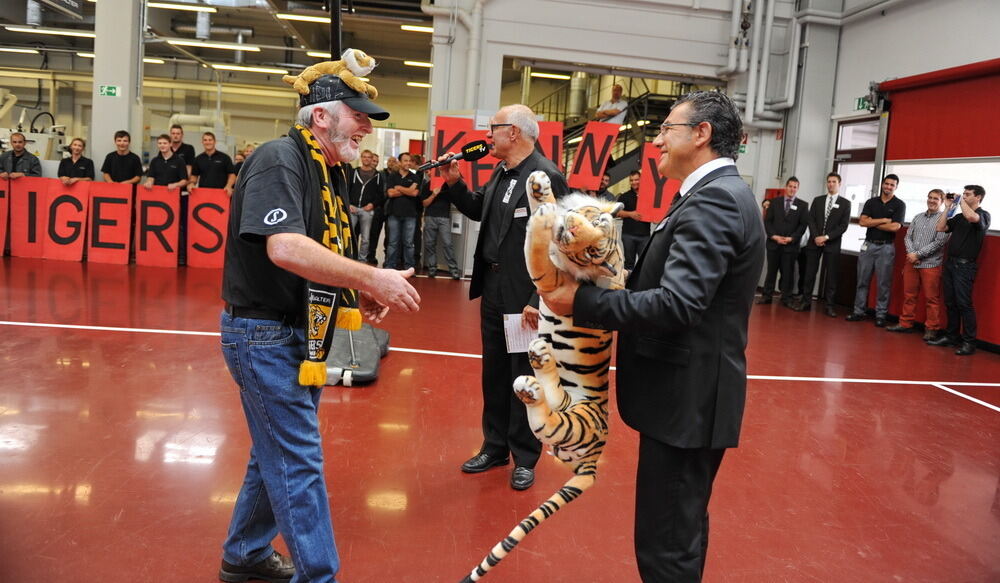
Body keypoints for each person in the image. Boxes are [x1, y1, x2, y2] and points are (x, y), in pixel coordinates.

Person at [539, 90, 764, 582]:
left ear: (701, 134)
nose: (657, 139)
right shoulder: (710, 195)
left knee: (666, 545)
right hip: (688, 398)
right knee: (679, 530)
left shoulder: (716, 202)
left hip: (689, 402)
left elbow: (678, 304)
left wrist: (577, 303)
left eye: (667, 128)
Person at [219, 59, 420, 583]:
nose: (369, 127)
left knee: (275, 454)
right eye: (359, 115)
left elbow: (320, 250)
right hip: (263, 335)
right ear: (321, 119)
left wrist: (357, 289)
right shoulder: (279, 159)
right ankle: (320, 576)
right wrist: (372, 278)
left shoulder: (326, 171)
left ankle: (244, 555)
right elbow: (285, 246)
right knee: (298, 461)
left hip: (295, 332)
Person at [445, 103, 569, 491]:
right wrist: (454, 183)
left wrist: (538, 296)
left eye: (493, 129)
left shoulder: (545, 177)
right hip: (495, 290)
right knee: (495, 372)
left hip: (524, 297)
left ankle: (525, 455)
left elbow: (559, 245)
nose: (488, 136)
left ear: (513, 132)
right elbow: (479, 209)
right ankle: (495, 446)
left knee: (524, 376)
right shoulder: (502, 171)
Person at [928, 185, 991, 355]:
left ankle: (969, 342)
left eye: (967, 194)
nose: (964, 196)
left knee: (964, 304)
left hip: (965, 267)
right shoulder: (959, 217)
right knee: (950, 303)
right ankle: (951, 336)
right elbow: (940, 227)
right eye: (963, 194)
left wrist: (960, 201)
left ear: (978, 197)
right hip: (950, 264)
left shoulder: (983, 215)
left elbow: (972, 217)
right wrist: (948, 207)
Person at [886, 189, 948, 338]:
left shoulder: (944, 220)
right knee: (909, 295)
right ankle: (905, 324)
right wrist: (912, 254)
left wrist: (918, 255)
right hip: (912, 264)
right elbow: (908, 237)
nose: (932, 201)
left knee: (931, 299)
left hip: (931, 265)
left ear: (941, 202)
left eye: (936, 199)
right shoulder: (917, 217)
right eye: (930, 197)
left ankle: (931, 329)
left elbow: (940, 242)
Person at [846, 174, 905, 327]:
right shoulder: (871, 202)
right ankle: (858, 311)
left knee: (883, 283)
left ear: (896, 187)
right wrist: (884, 220)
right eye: (887, 184)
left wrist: (872, 223)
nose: (889, 187)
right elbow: (862, 222)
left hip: (886, 247)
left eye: (892, 185)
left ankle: (880, 315)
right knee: (862, 280)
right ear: (882, 184)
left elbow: (895, 227)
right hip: (869, 245)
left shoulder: (899, 204)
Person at [797, 172, 851, 316]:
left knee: (831, 275)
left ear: (839, 184)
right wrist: (816, 237)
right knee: (809, 273)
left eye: (834, 182)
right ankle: (806, 302)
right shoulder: (818, 200)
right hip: (814, 242)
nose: (831, 184)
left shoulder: (845, 203)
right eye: (829, 181)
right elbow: (811, 220)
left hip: (832, 243)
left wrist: (826, 237)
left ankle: (829, 306)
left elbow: (843, 226)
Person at [757, 176, 808, 308]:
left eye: (795, 187)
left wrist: (792, 238)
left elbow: (802, 226)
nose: (792, 189)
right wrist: (774, 236)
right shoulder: (774, 202)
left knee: (788, 273)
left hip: (790, 245)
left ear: (798, 189)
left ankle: (786, 298)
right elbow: (767, 221)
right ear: (786, 187)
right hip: (774, 244)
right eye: (790, 186)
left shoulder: (803, 205)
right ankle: (767, 296)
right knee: (771, 271)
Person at [384, 152, 421, 270]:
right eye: (405, 160)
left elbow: (414, 193)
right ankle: (390, 266)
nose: (408, 163)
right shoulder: (392, 176)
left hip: (410, 215)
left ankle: (409, 267)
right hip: (394, 214)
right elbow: (390, 193)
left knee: (409, 243)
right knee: (393, 243)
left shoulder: (415, 176)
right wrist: (407, 190)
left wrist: (399, 188)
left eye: (410, 161)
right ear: (400, 162)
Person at [420, 174, 461, 279]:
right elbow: (424, 203)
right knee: (430, 244)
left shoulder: (447, 185)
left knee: (448, 244)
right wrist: (433, 194)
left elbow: (455, 199)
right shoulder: (427, 185)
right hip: (430, 217)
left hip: (444, 217)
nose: (431, 173)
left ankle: (453, 270)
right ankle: (432, 269)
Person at [348, 149, 384, 263]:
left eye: (369, 157)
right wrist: (348, 204)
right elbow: (346, 189)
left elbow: (381, 194)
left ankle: (362, 260)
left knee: (365, 238)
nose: (366, 159)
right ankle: (349, 257)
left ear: (372, 159)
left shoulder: (378, 176)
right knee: (349, 235)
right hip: (352, 208)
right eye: (364, 157)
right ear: (361, 158)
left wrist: (372, 204)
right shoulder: (354, 172)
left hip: (367, 210)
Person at [366, 155, 397, 266]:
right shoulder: (380, 174)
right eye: (389, 161)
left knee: (389, 237)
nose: (391, 163)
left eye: (393, 161)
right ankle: (371, 256)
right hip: (379, 207)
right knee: (374, 234)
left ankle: (387, 259)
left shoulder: (396, 175)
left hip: (391, 208)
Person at [617, 170, 649, 271]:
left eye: (636, 180)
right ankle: (627, 285)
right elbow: (617, 212)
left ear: (641, 180)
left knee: (644, 263)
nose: (634, 182)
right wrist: (630, 214)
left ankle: (640, 285)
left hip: (645, 235)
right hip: (628, 235)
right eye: (631, 180)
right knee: (629, 263)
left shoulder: (649, 195)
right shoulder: (624, 196)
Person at [190, 131, 237, 196]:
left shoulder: (225, 158)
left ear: (215, 142)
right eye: (205, 140)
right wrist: (191, 183)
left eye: (210, 140)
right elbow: (194, 175)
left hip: (221, 193)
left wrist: (228, 186)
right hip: (203, 194)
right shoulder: (198, 159)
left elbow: (232, 175)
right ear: (202, 142)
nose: (208, 142)